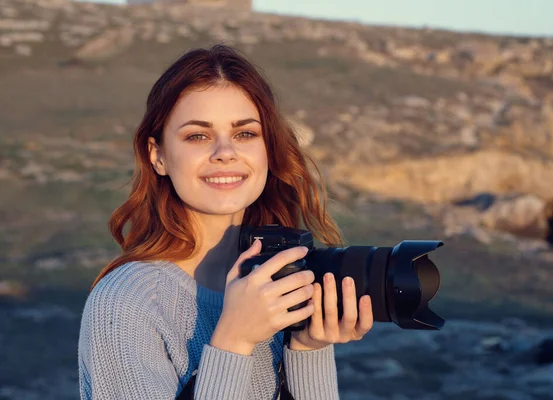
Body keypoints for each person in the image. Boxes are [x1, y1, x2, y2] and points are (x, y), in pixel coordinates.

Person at [77, 44, 374, 400]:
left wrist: (307, 348)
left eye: (245, 133)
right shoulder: (127, 302)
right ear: (158, 157)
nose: (225, 152)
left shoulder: (278, 283)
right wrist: (234, 341)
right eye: (197, 136)